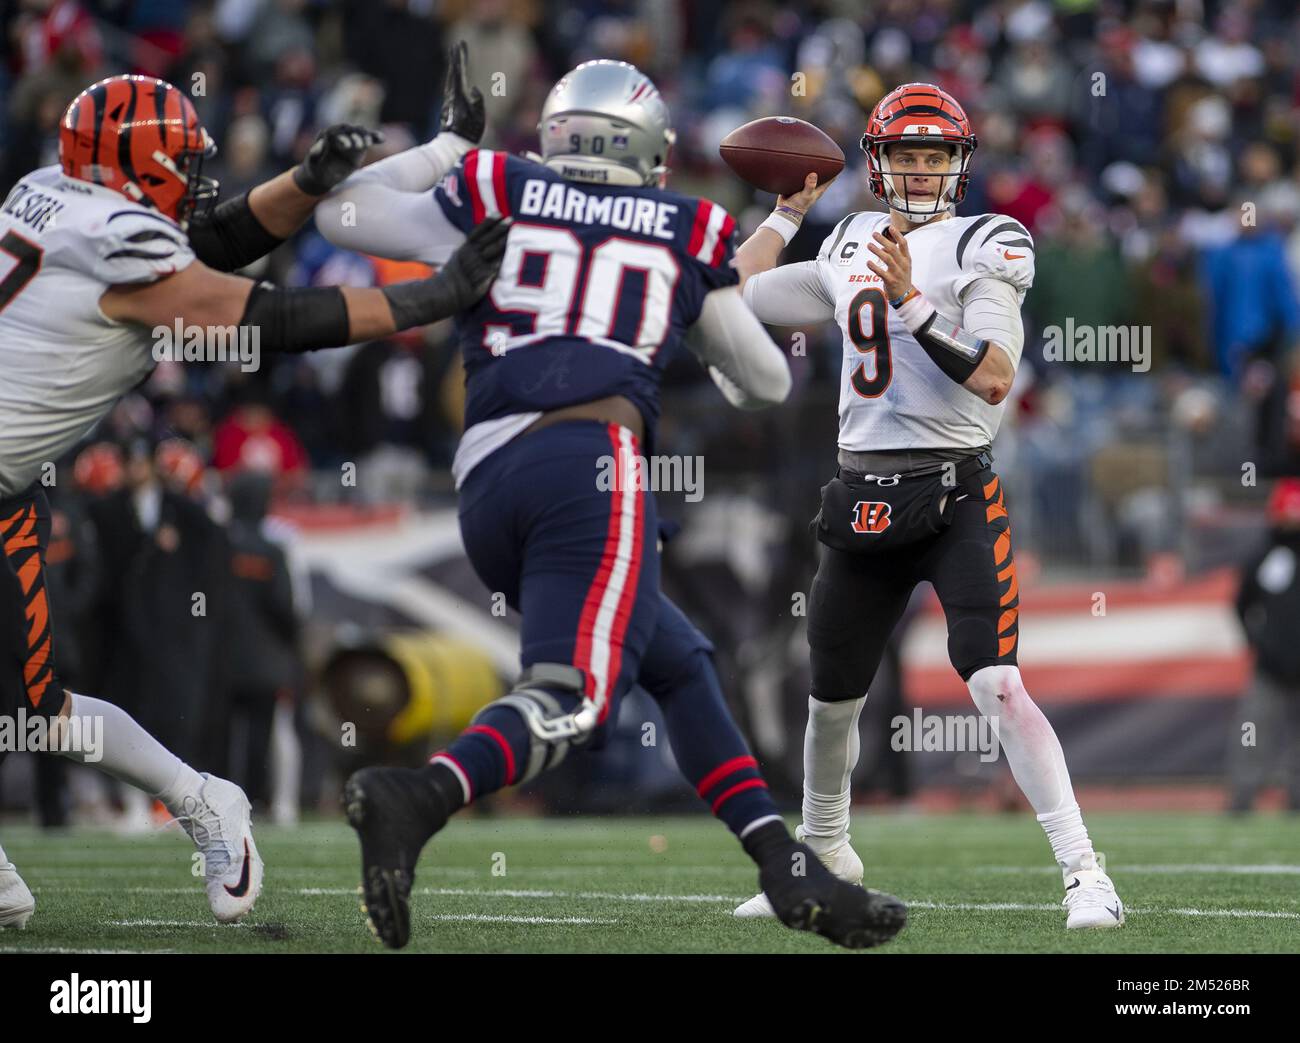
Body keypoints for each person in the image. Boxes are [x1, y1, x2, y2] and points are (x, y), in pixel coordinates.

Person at [316, 46, 907, 950]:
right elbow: (764, 383)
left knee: (676, 660)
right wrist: (707, 306)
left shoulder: (497, 184)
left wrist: (443, 146)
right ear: (650, 153)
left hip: (487, 477)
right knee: (579, 695)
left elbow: (339, 211)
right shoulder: (680, 222)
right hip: (593, 464)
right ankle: (422, 794)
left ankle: (789, 872)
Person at [0, 71, 505, 929]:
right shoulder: (117, 238)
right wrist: (431, 297)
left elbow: (214, 238)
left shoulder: (47, 191)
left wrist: (306, 182)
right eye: (181, 160)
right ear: (135, 167)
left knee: (40, 712)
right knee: (35, 713)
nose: (198, 177)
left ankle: (205, 802)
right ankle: (193, 801)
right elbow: (264, 313)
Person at [730, 82, 1125, 929]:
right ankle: (821, 853)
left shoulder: (990, 240)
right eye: (905, 154)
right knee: (830, 698)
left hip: (952, 489)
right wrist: (784, 214)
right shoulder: (850, 239)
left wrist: (910, 302)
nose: (919, 168)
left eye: (934, 154)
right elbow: (743, 296)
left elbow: (993, 375)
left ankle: (1086, 872)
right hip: (861, 490)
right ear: (876, 164)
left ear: (959, 164)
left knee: (999, 684)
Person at [1228, 478, 1300, 812]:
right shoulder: (1264, 556)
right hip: (1270, 665)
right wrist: (1257, 642)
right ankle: (1243, 795)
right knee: (1253, 730)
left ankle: (1296, 796)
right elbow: (1242, 604)